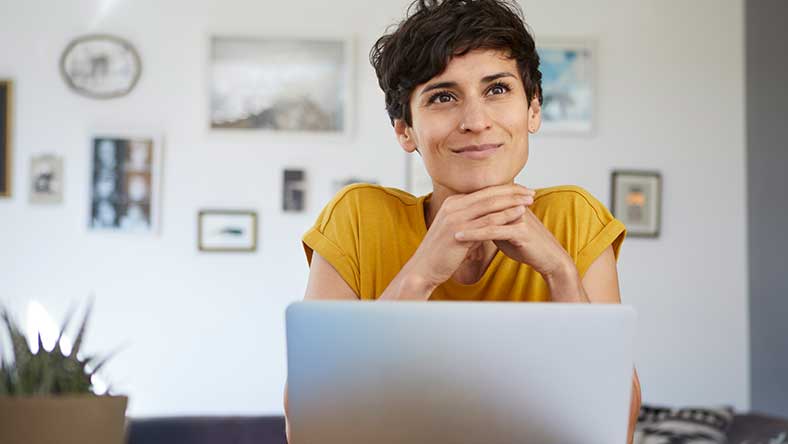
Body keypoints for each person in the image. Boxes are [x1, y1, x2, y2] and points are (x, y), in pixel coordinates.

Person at [285, 0, 641, 442]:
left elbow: (617, 429)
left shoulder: (573, 218)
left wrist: (560, 272)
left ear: (533, 109)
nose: (475, 121)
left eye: (497, 90)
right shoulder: (357, 219)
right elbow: (309, 428)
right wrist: (421, 273)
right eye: (443, 97)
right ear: (405, 130)